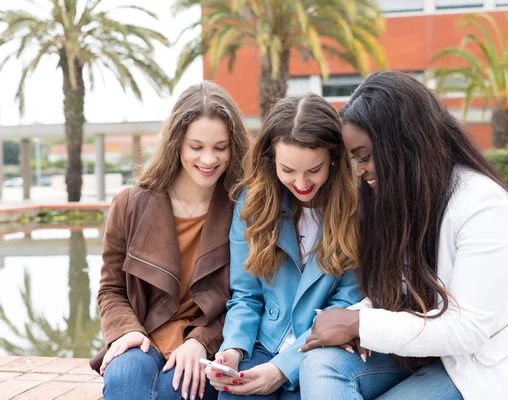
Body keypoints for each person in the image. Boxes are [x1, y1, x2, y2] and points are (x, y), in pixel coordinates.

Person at [298, 71, 508, 400]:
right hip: (426, 353)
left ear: (402, 144)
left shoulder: (482, 205)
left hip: (485, 366)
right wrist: (349, 320)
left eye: (365, 156)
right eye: (355, 158)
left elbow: (468, 329)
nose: (359, 170)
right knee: (321, 363)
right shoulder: (401, 197)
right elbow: (396, 294)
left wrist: (359, 324)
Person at [90, 82, 249, 400]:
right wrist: (128, 330)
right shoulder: (129, 204)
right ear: (177, 143)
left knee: (174, 391)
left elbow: (247, 298)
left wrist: (201, 341)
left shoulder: (243, 210)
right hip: (143, 336)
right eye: (196, 146)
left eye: (220, 147)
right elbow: (111, 289)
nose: (208, 158)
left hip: (202, 343)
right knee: (124, 382)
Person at [205, 93, 364, 399]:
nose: (302, 183)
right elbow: (246, 296)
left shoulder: (357, 211)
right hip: (262, 344)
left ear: (333, 158)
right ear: (271, 160)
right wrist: (232, 350)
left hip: (320, 350)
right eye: (288, 170)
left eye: (314, 170)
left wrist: (282, 370)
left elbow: (346, 304)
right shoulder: (251, 206)